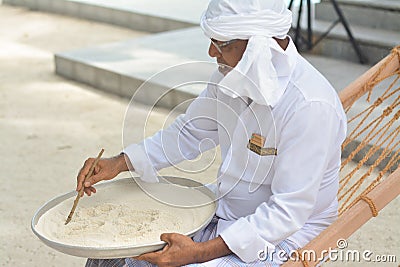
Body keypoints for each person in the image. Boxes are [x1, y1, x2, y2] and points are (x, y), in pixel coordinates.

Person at [78, 0, 347, 266]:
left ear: (259, 46)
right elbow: (189, 133)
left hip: (286, 236)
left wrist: (197, 253)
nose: (210, 52)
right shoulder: (232, 75)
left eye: (221, 44)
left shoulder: (310, 106)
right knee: (111, 252)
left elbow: (287, 213)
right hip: (223, 209)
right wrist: (119, 163)